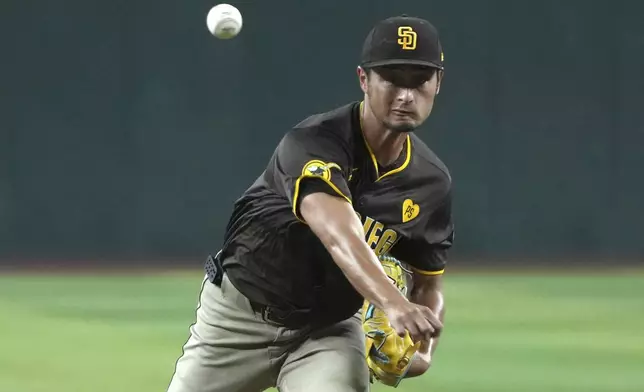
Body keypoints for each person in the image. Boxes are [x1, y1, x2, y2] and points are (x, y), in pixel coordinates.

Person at [167, 14, 454, 392]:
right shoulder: (312, 142)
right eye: (392, 80)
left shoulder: (431, 183)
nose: (405, 95)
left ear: (438, 84)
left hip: (328, 331)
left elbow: (428, 285)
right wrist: (391, 302)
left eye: (419, 82)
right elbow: (339, 234)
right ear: (364, 80)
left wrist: (424, 353)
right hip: (239, 318)